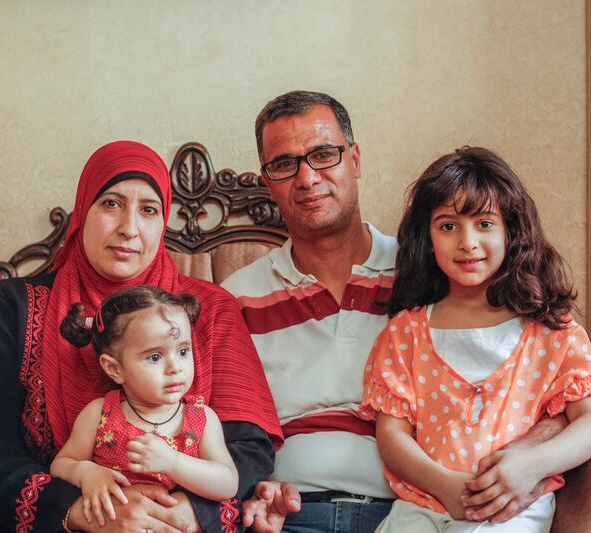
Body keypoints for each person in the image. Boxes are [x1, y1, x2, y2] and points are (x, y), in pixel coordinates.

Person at [0, 140, 282, 532]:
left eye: (148, 210)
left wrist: (186, 514)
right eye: (110, 204)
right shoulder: (14, 306)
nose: (129, 228)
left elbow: (248, 448)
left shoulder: (209, 309)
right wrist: (83, 513)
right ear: (82, 212)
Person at [362, 146, 591, 532]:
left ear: (511, 231)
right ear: (427, 237)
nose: (467, 242)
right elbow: (392, 433)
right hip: (423, 505)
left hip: (513, 509)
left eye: (484, 224)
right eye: (448, 226)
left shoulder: (551, 331)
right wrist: (445, 487)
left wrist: (532, 465)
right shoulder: (405, 333)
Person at [221, 90, 398, 533]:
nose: (306, 178)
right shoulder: (235, 300)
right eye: (285, 163)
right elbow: (222, 435)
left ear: (354, 160)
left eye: (323, 155)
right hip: (289, 516)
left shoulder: (426, 275)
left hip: (414, 511)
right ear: (268, 181)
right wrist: (252, 488)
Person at [52, 285, 238, 528]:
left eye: (183, 351)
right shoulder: (100, 413)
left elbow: (228, 483)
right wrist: (87, 473)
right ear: (114, 368)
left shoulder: (201, 418)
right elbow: (61, 464)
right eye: (155, 357)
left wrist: (173, 463)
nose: (175, 367)